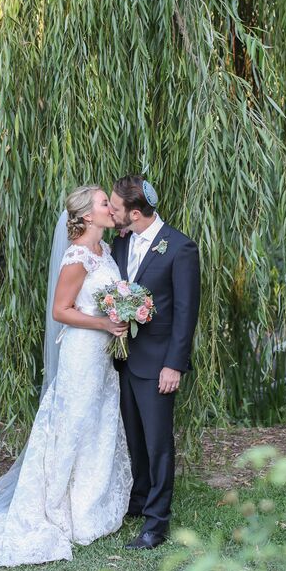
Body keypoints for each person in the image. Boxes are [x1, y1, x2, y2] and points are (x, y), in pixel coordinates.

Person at [0, 185, 132, 565]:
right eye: (105, 203)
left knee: (98, 424)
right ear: (87, 215)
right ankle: (54, 508)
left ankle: (89, 509)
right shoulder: (78, 257)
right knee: (72, 424)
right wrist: (103, 323)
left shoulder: (105, 250)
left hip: (101, 357)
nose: (111, 207)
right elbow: (60, 310)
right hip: (82, 353)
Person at [109, 175, 200, 550]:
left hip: (159, 363)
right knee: (135, 437)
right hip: (126, 361)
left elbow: (185, 312)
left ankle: (156, 523)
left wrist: (174, 365)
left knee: (159, 443)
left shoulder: (179, 248)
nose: (110, 212)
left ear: (134, 212)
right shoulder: (121, 242)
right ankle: (140, 499)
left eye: (114, 208)